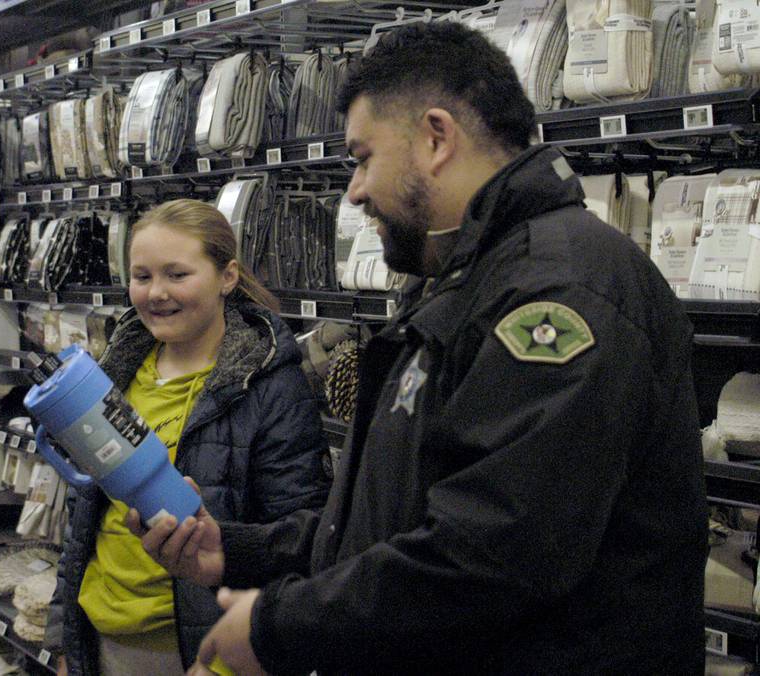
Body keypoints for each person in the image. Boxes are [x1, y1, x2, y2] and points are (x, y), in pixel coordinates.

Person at [130, 22, 709, 675]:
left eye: (363, 157)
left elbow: (492, 555)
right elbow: (400, 514)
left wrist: (277, 625)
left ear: (436, 138)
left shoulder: (561, 292)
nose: (354, 189)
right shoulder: (470, 279)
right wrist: (236, 550)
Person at [44, 199, 331, 675]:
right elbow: (84, 520)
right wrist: (64, 638)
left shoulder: (267, 384)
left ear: (228, 277)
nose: (156, 293)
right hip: (102, 639)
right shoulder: (114, 373)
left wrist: (234, 661)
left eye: (177, 274)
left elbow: (298, 538)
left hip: (202, 650)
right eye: (142, 276)